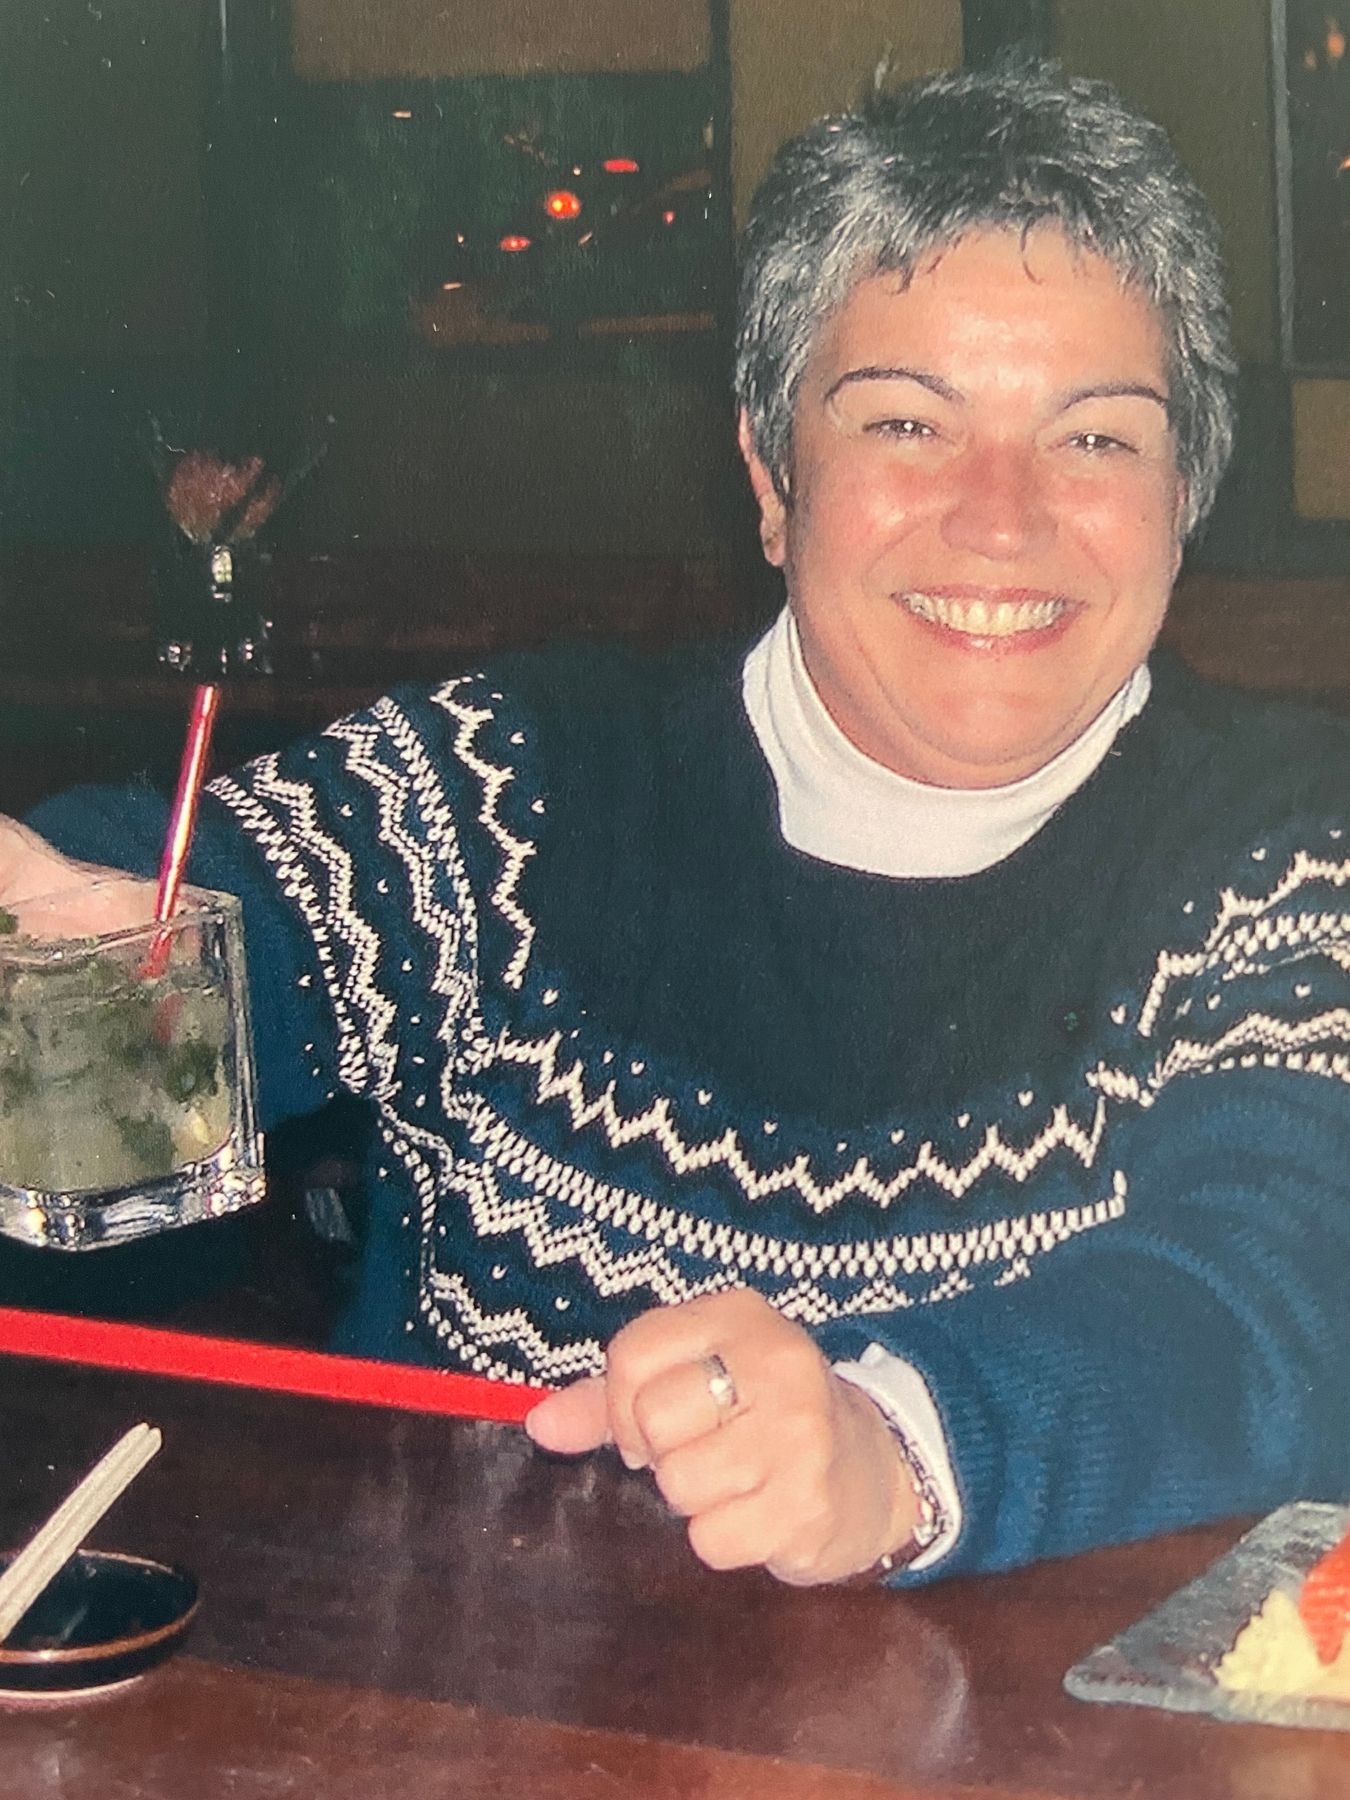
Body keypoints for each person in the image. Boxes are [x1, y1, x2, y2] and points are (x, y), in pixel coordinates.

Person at [5, 59, 1350, 1589]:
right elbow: (200, 902)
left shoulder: (1294, 851)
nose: (1000, 514)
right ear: (770, 479)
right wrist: (55, 925)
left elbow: (1279, 1293)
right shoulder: (512, 785)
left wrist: (896, 1442)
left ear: (1185, 495)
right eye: (905, 424)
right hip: (454, 1690)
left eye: (1095, 438)